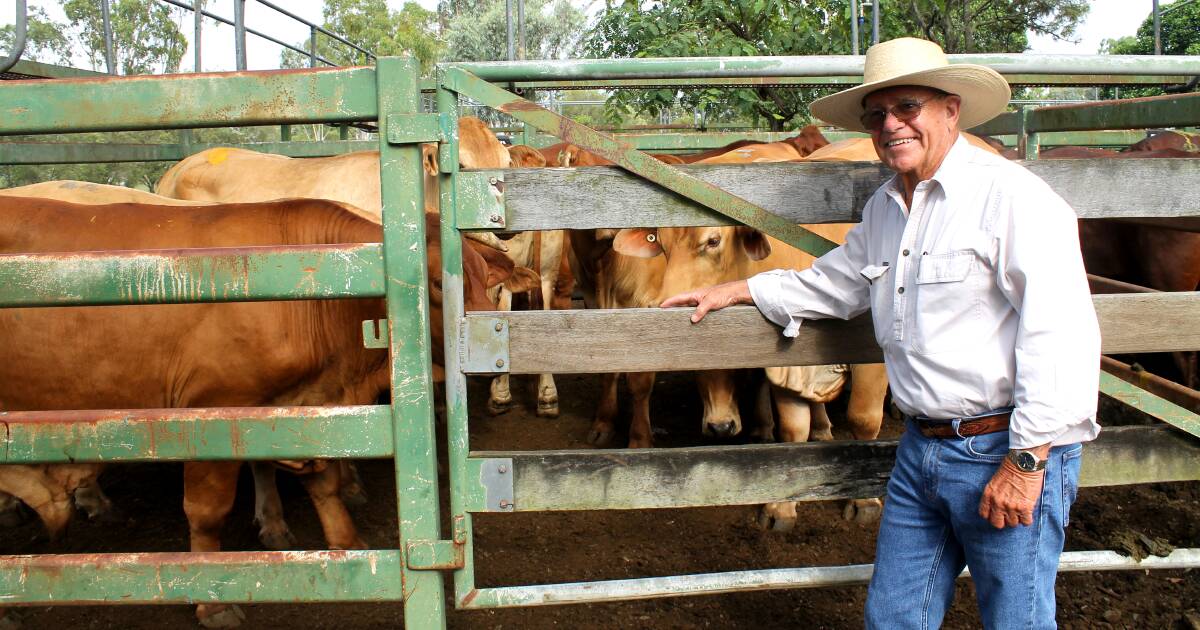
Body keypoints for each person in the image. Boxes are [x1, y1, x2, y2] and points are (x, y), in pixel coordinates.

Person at [661, 37, 1100, 629]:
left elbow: (1062, 334)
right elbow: (835, 283)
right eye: (877, 114)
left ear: (951, 109)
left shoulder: (1014, 198)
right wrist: (738, 289)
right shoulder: (887, 207)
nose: (891, 124)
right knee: (893, 617)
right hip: (921, 448)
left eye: (908, 108)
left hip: (1003, 447)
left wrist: (1026, 463)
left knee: (1016, 619)